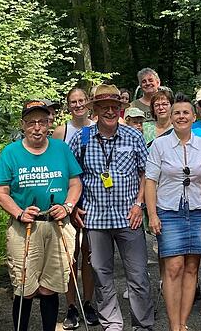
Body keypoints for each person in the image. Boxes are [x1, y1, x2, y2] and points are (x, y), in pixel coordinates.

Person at [68, 84, 155, 331]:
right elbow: (71, 176)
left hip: (129, 217)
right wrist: (73, 207)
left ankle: (142, 325)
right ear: (94, 110)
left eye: (114, 107)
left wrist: (140, 204)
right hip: (94, 219)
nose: (109, 111)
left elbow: (146, 175)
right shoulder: (81, 138)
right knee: (101, 275)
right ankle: (112, 324)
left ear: (120, 110)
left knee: (137, 276)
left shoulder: (133, 136)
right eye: (104, 107)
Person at [0, 100, 83, 331]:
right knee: (25, 287)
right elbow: (1, 192)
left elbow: (75, 183)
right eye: (31, 122)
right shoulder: (11, 152)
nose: (37, 127)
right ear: (23, 125)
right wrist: (19, 212)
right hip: (25, 226)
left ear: (48, 125)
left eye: (42, 122)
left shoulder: (61, 149)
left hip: (57, 224)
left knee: (50, 286)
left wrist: (68, 206)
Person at [144, 94, 201, 331]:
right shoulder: (159, 144)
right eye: (177, 113)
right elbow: (150, 181)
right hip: (168, 210)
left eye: (186, 112)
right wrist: (152, 214)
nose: (181, 116)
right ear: (171, 116)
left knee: (192, 267)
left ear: (193, 117)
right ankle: (173, 325)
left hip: (197, 211)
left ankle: (183, 324)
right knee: (173, 267)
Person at [52, 88, 98, 329]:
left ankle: (88, 302)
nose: (78, 105)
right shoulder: (62, 131)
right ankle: (71, 305)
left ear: (88, 103)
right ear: (68, 105)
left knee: (88, 255)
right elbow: (55, 165)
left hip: (92, 198)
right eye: (73, 102)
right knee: (70, 255)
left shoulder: (98, 126)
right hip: (69, 198)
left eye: (81, 101)